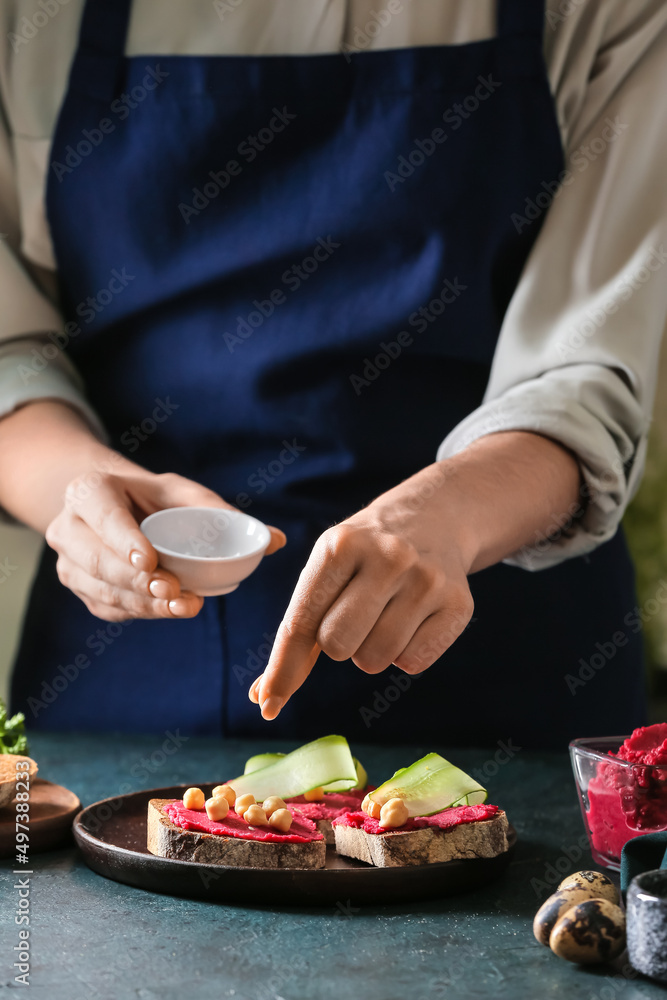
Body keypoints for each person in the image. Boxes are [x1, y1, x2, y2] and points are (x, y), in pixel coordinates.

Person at [0, 0, 665, 748]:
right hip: (122, 676)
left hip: (509, 672)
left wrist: (447, 518)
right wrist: (82, 494)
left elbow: (586, 375)